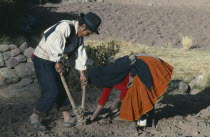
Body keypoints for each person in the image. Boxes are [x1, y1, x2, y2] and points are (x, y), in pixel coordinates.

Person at [28, 12, 102, 131]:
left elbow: (80, 54)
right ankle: (35, 116)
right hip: (43, 59)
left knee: (63, 87)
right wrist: (57, 61)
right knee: (52, 90)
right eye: (90, 32)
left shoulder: (79, 37)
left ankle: (67, 117)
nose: (89, 34)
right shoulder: (65, 26)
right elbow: (54, 43)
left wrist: (82, 73)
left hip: (56, 60)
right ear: (83, 26)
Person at [88, 53, 173, 132]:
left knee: (130, 103)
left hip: (141, 70)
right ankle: (150, 123)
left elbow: (126, 90)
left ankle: (134, 126)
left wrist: (117, 101)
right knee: (146, 98)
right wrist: (93, 117)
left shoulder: (111, 77)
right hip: (143, 66)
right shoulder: (108, 76)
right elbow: (103, 98)